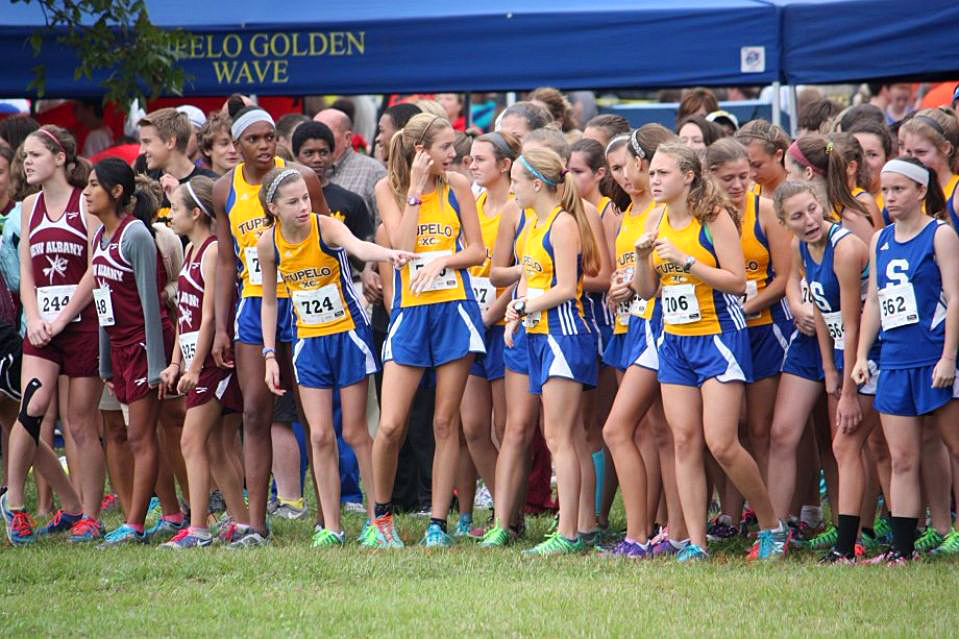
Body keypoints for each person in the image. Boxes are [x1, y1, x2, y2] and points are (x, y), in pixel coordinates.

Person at [633, 142, 787, 561]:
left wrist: (687, 262)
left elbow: (737, 282)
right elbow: (646, 291)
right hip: (674, 339)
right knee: (684, 441)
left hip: (718, 336)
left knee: (721, 442)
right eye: (652, 173)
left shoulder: (714, 216)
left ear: (688, 177)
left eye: (663, 173)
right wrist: (643, 260)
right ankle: (695, 544)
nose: (654, 180)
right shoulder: (654, 218)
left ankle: (772, 525)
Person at [256, 167, 411, 547]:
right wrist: (269, 354)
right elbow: (269, 301)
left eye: (305, 199)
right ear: (274, 208)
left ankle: (378, 520)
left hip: (347, 336)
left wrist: (389, 254)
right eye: (293, 202)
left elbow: (358, 247)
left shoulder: (325, 228)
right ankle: (332, 526)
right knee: (320, 434)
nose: (302, 207)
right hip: (308, 342)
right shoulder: (268, 243)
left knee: (355, 432)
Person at [211, 105, 328, 547]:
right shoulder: (225, 188)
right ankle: (256, 524)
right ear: (236, 145)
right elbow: (226, 261)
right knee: (255, 412)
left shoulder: (301, 178)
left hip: (302, 302)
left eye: (270, 136)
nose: (264, 145)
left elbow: (327, 236)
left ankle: (327, 518)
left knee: (311, 413)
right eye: (254, 139)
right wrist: (220, 327)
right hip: (254, 307)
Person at [370, 113, 486, 548]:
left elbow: (477, 251)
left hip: (454, 309)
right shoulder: (389, 189)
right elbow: (401, 247)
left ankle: (438, 523)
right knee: (391, 424)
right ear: (421, 151)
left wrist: (443, 261)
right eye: (445, 148)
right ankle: (380, 519)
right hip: (411, 314)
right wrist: (416, 191)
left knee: (444, 421)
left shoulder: (458, 186)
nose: (454, 154)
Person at [0, 126, 102, 545]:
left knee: (80, 421)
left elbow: (95, 268)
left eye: (35, 155)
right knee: (32, 407)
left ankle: (88, 515)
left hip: (82, 324)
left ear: (60, 158)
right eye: (24, 155)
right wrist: (36, 317)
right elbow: (26, 271)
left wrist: (62, 318)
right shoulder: (28, 206)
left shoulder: (85, 203)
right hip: (41, 326)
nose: (26, 162)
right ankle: (14, 505)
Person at [853, 157, 959, 561]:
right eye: (886, 190)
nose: (890, 197)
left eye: (898, 189)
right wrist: (861, 355)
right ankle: (902, 549)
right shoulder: (880, 238)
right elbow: (875, 301)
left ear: (920, 190)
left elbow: (955, 297)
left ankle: (949, 528)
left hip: (933, 355)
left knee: (954, 445)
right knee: (901, 458)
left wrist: (948, 357)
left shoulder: (940, 234)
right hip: (895, 360)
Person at [772, 180, 879, 562]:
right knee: (843, 444)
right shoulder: (800, 246)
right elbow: (820, 308)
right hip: (836, 349)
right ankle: (841, 539)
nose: (809, 221)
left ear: (821, 205)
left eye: (812, 210)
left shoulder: (845, 248)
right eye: (797, 217)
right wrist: (828, 369)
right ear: (785, 222)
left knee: (852, 444)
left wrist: (847, 389)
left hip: (872, 349)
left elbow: (852, 324)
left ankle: (855, 539)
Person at [503, 146, 599, 556]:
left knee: (560, 436)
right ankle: (578, 527)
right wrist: (514, 315)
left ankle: (569, 532)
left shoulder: (562, 224)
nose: (511, 190)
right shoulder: (532, 223)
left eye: (515, 182)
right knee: (567, 435)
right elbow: (528, 277)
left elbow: (565, 288)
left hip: (564, 335)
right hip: (540, 334)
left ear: (537, 184)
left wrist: (524, 306)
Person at [601, 125, 686, 558]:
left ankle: (643, 534)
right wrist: (622, 286)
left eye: (628, 165)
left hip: (662, 327)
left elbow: (666, 276)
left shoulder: (664, 210)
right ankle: (668, 532)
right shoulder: (630, 212)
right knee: (658, 432)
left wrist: (634, 285)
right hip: (637, 324)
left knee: (620, 429)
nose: (625, 175)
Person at [157, 176, 250, 549]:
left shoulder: (212, 251)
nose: (170, 215)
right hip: (196, 357)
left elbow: (210, 316)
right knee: (215, 446)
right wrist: (175, 362)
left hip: (213, 360)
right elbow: (186, 315)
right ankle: (242, 522)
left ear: (196, 213)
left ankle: (198, 528)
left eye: (176, 208)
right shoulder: (190, 249)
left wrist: (194, 367)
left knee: (192, 441)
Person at [86, 159, 175, 546]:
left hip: (144, 345)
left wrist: (156, 366)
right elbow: (103, 304)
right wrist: (106, 362)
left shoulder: (135, 234)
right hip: (120, 349)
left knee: (141, 437)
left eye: (94, 185)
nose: (87, 192)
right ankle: (172, 514)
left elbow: (151, 305)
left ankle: (135, 524)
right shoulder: (98, 238)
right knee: (139, 434)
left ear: (117, 191)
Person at [706, 138, 792, 481]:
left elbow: (784, 277)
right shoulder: (705, 215)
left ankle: (772, 504)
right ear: (710, 175)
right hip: (722, 330)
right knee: (731, 429)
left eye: (744, 176)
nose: (739, 185)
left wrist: (745, 308)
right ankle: (733, 506)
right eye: (728, 178)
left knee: (760, 427)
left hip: (765, 327)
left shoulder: (765, 211)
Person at [454, 131, 520, 537]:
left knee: (505, 427)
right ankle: (504, 515)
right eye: (470, 159)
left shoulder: (517, 206)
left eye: (480, 159)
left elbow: (525, 272)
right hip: (472, 323)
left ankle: (510, 519)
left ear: (505, 165)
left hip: (502, 324)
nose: (471, 165)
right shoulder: (473, 205)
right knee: (474, 427)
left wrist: (491, 316)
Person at [292, 121, 373, 243]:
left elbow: (364, 246)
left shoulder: (352, 201)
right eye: (309, 153)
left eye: (323, 153)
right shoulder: (285, 200)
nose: (317, 159)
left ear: (332, 155)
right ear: (296, 156)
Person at [137, 108, 217, 223]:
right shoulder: (147, 188)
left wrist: (180, 196)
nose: (141, 150)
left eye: (147, 142)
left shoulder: (210, 184)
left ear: (170, 142)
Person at [314, 108, 386, 225]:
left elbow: (384, 225)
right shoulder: (303, 172)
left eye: (324, 134)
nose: (316, 140)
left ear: (347, 138)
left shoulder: (372, 172)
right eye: (312, 133)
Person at [898, 109, 959, 230]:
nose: (913, 160)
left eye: (921, 152)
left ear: (945, 148)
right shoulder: (907, 193)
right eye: (908, 152)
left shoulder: (956, 192)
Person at [848, 121, 894, 218]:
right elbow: (828, 146)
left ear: (887, 160)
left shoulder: (894, 202)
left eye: (872, 154)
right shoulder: (837, 198)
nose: (863, 162)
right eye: (857, 154)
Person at [734, 119, 790, 197]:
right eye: (746, 166)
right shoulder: (746, 193)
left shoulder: (800, 191)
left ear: (778, 155)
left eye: (757, 165)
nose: (751, 174)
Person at [198, 112, 239, 177]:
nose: (233, 150)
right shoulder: (199, 182)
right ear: (207, 149)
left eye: (236, 143)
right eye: (224, 144)